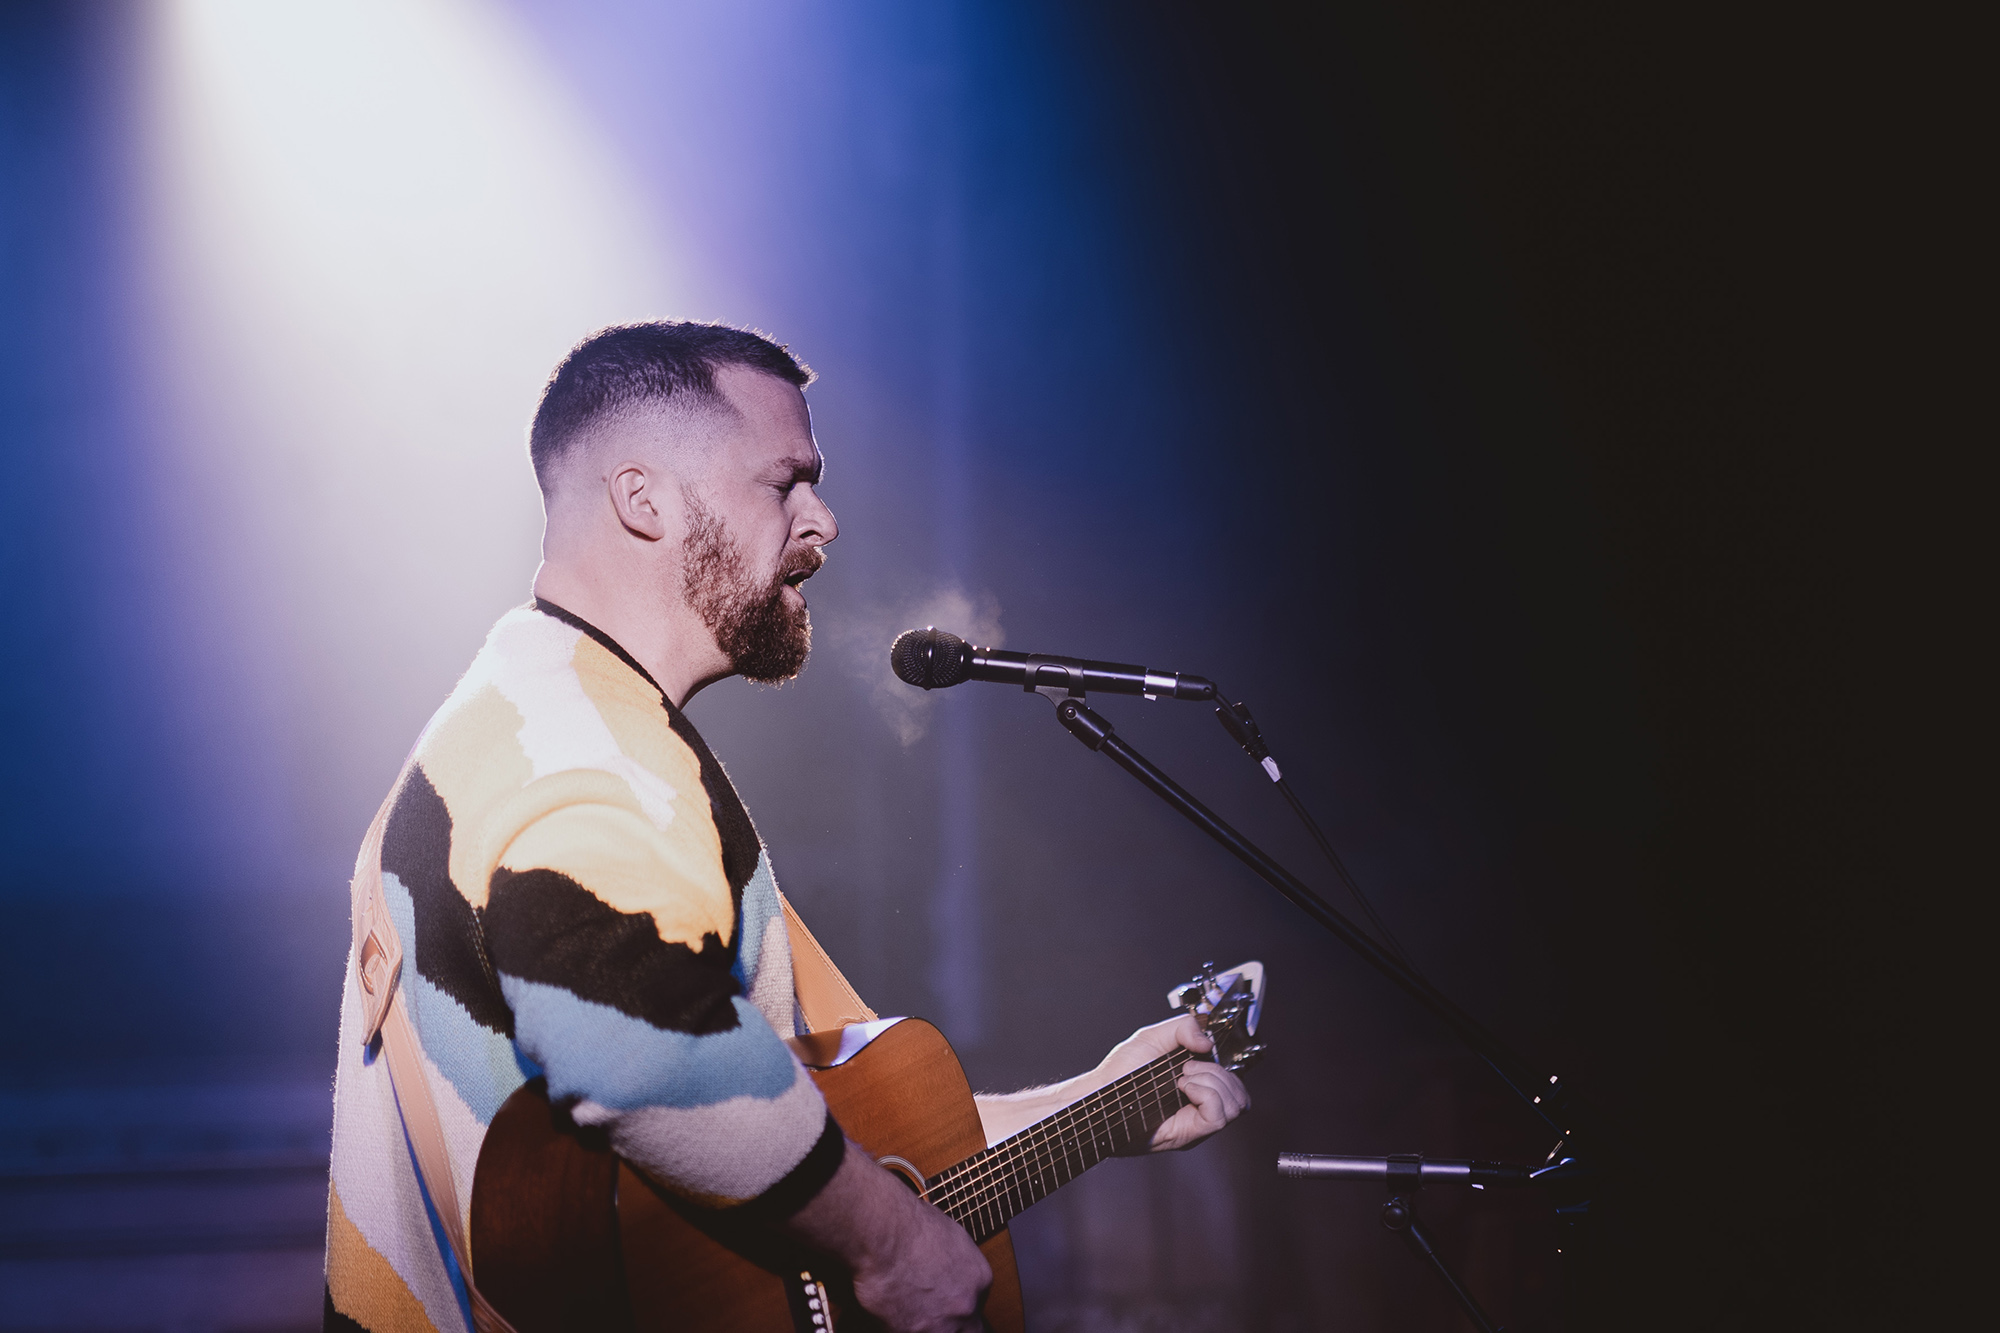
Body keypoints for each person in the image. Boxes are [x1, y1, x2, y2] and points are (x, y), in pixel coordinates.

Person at [323, 321, 1249, 1333]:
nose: (825, 521)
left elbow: (804, 1132)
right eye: (784, 483)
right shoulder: (577, 751)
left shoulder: (537, 716)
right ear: (643, 500)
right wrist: (891, 1247)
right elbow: (645, 1052)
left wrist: (1101, 1103)